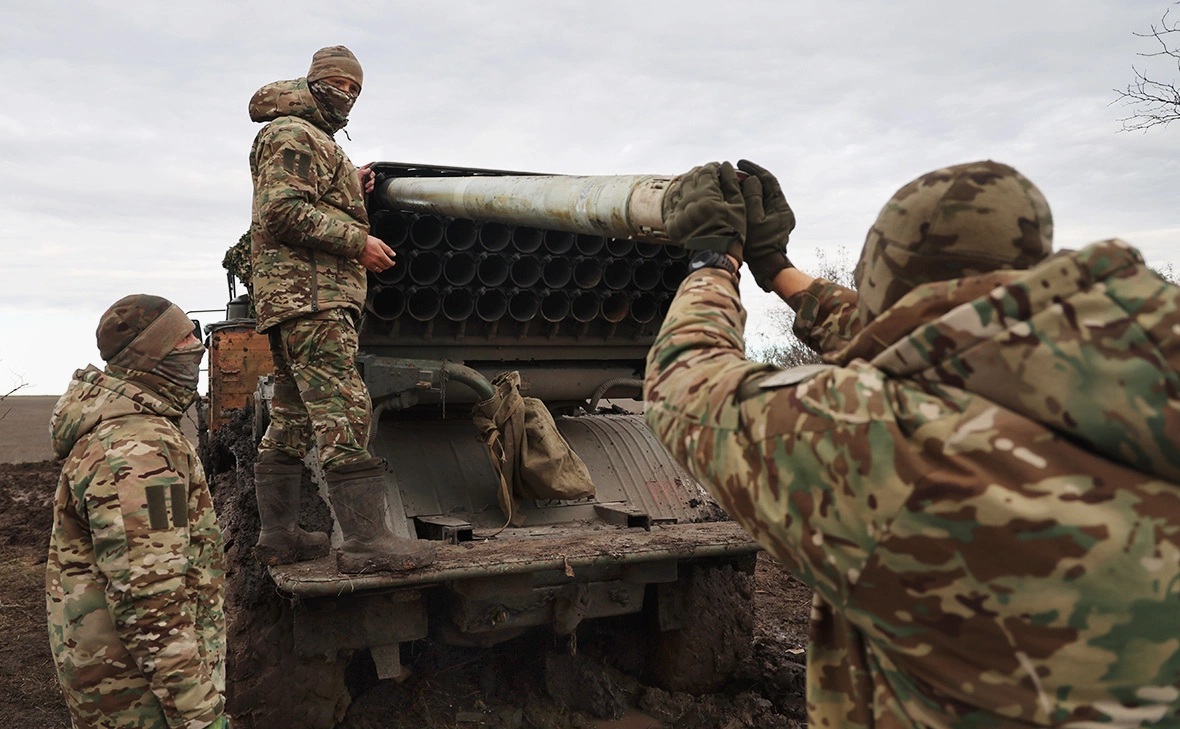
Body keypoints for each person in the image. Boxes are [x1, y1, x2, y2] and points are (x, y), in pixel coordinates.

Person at [646, 160, 1180, 727]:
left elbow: (686, 383)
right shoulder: (1134, 368)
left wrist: (713, 263)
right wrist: (778, 270)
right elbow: (940, 337)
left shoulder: (899, 450)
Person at [247, 45, 434, 572]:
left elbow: (304, 199)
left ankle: (278, 537)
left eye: (355, 89)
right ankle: (366, 543)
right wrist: (359, 242)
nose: (346, 95)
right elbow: (283, 212)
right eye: (337, 84)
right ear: (313, 83)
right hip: (313, 298)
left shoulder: (311, 138)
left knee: (288, 417)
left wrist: (349, 184)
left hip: (297, 299)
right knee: (343, 409)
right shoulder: (293, 133)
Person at [47, 294, 229, 729]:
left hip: (125, 685)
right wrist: (200, 716)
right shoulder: (138, 447)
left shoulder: (129, 426)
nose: (198, 347)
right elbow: (150, 603)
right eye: (185, 338)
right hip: (139, 700)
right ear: (155, 356)